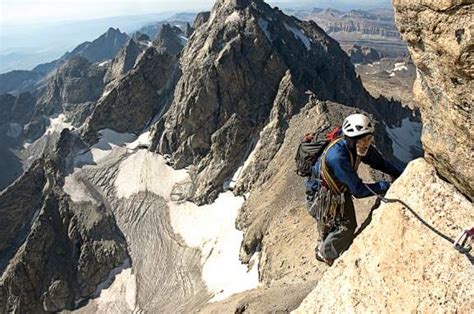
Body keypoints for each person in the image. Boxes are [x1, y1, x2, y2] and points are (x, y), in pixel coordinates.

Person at [305, 113, 402, 266]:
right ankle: (324, 253)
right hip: (323, 196)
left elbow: (379, 163)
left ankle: (329, 244)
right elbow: (358, 190)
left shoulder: (357, 146)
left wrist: (401, 175)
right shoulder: (337, 158)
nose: (366, 144)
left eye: (369, 139)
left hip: (336, 190)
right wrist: (385, 186)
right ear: (351, 138)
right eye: (363, 140)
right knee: (346, 227)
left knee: (339, 224)